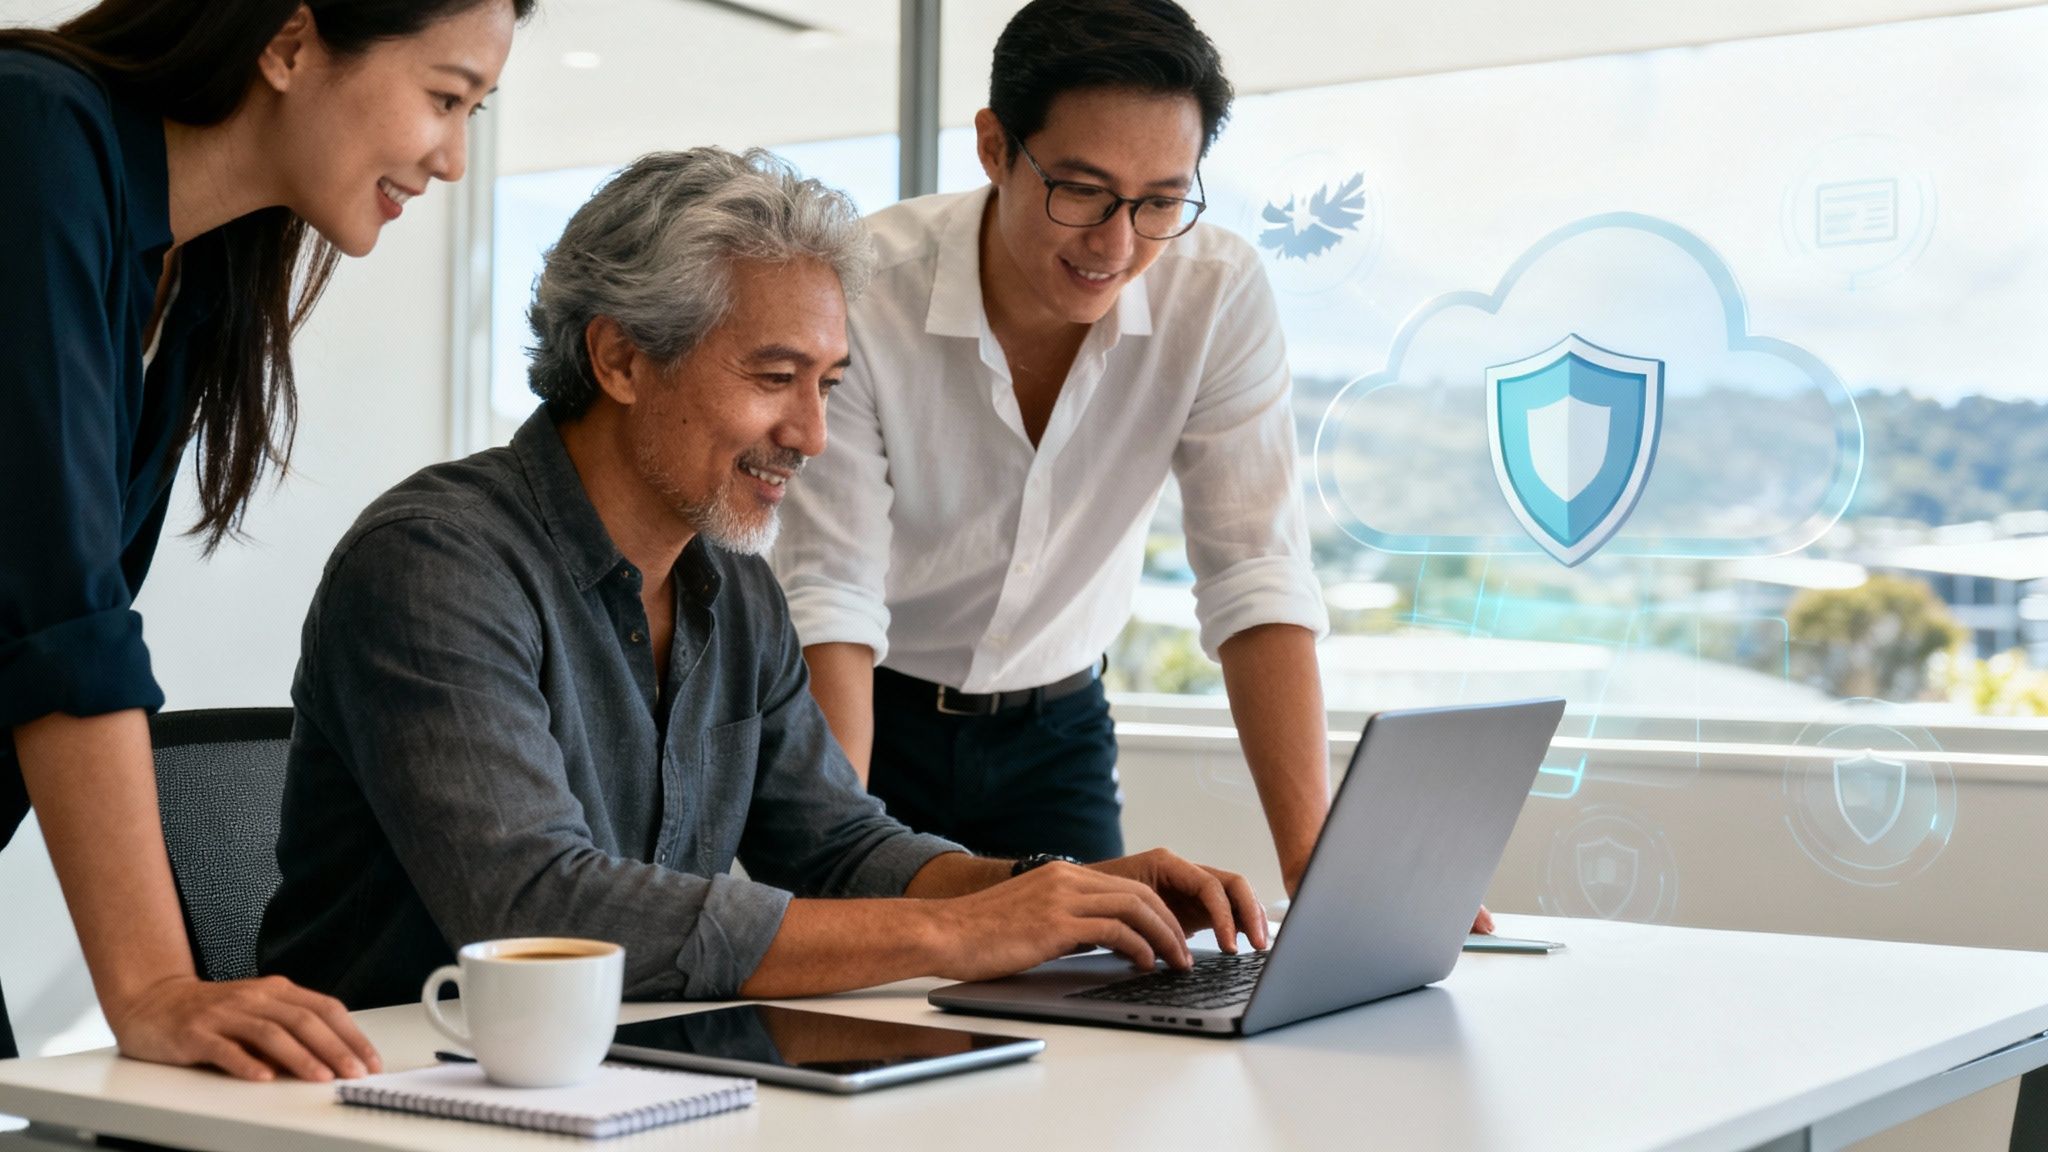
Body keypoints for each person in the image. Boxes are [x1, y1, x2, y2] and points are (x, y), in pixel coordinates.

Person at [256, 147, 1269, 1008]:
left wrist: (1062, 894)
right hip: (387, 1094)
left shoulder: (733, 587)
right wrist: (959, 935)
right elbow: (538, 909)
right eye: (775, 378)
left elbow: (838, 848)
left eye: (826, 384)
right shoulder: (435, 564)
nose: (813, 434)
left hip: (630, 1085)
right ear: (620, 359)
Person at [0, 0, 526, 1080]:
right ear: (290, 43)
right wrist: (153, 987)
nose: (452, 158)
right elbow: (57, 613)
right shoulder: (33, 135)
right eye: (444, 97)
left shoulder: (195, 270)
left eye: (473, 113)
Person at [773, 0, 1362, 905]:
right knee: (869, 974)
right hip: (866, 710)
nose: (1116, 245)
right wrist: (837, 856)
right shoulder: (866, 289)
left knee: (1106, 978)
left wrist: (1318, 866)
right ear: (995, 148)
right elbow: (833, 596)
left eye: (1160, 201)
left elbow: (1256, 574)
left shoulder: (1215, 292)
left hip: (1059, 727)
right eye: (1081, 191)